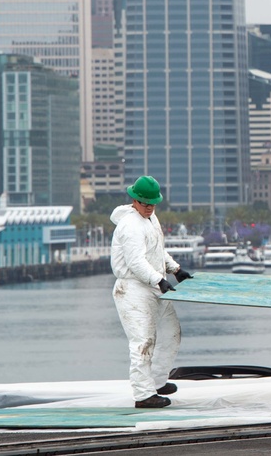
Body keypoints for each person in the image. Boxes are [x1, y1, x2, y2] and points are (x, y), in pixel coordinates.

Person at [110, 175, 193, 409]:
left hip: (154, 285)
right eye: (146, 203)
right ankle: (143, 394)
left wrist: (174, 269)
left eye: (153, 204)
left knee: (171, 333)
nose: (150, 207)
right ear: (134, 200)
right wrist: (160, 279)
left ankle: (156, 380)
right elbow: (135, 262)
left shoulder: (149, 218)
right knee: (142, 342)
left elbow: (156, 251)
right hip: (133, 289)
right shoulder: (130, 226)